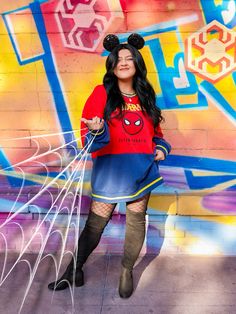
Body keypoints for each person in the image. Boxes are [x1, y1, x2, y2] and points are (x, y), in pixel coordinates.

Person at [48, 33, 171, 298]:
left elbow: (156, 134)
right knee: (95, 225)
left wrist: (160, 149)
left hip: (142, 171)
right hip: (111, 173)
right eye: (119, 59)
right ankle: (74, 270)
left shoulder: (145, 95)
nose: (124, 62)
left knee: (136, 222)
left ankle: (127, 270)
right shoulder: (101, 93)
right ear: (112, 65)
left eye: (130, 58)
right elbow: (88, 141)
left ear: (137, 63)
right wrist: (96, 129)